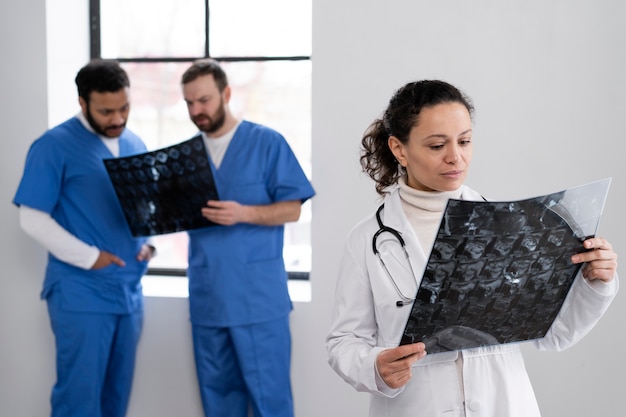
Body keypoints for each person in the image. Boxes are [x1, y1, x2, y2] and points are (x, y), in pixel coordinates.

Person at [325, 80, 618, 417]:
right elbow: (344, 341)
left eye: (464, 141)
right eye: (437, 145)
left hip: (504, 405)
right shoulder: (366, 240)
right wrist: (374, 367)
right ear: (399, 148)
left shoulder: (510, 225)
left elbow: (553, 337)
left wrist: (595, 281)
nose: (456, 157)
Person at [13, 59, 155, 417]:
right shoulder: (53, 146)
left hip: (128, 290)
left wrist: (150, 243)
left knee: (116, 396)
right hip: (82, 292)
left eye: (124, 108)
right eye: (106, 111)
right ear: (82, 102)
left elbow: (145, 207)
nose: (118, 119)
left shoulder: (134, 141)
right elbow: (31, 217)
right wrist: (91, 257)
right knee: (79, 398)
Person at [180, 58, 316, 417]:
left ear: (226, 93)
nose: (197, 110)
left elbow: (293, 209)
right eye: (190, 103)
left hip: (257, 300)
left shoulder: (267, 143)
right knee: (217, 401)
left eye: (204, 100)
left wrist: (243, 213)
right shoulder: (185, 157)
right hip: (208, 299)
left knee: (270, 401)